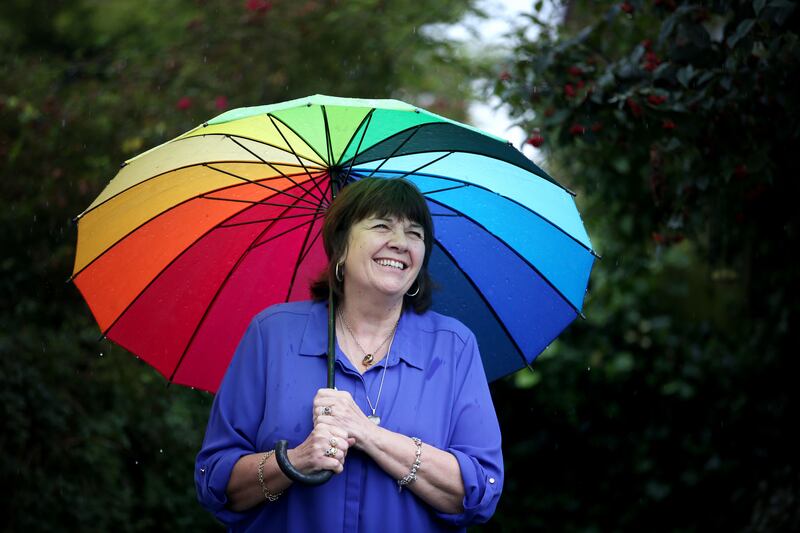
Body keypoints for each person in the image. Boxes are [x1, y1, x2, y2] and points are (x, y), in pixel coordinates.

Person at [195, 177, 503, 531]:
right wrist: (293, 461)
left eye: (415, 233)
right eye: (381, 225)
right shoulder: (272, 334)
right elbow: (214, 482)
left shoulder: (453, 346)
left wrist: (370, 436)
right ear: (340, 246)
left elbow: (479, 492)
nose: (401, 243)